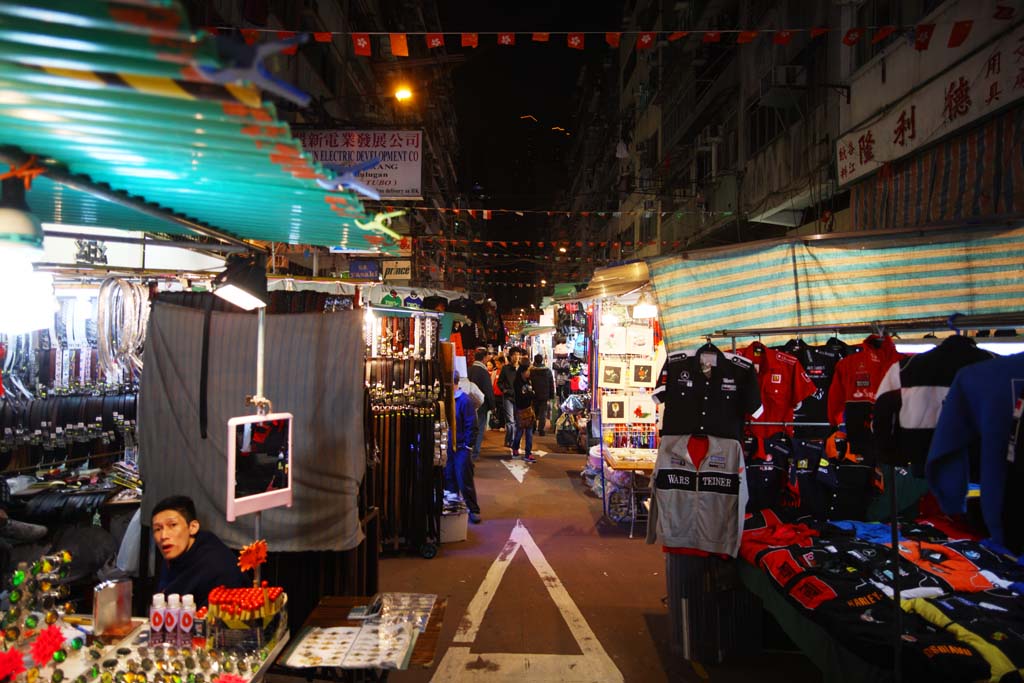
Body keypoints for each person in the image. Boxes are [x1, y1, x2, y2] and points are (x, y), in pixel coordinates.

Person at [152, 496, 248, 606]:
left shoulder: (215, 566)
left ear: (193, 527)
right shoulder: (174, 552)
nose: (163, 536)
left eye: (173, 525)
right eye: (157, 529)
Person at [445, 373, 481, 523]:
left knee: (464, 479)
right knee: (449, 477)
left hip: (461, 447)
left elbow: (471, 425)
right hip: (449, 447)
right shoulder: (448, 400)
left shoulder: (464, 400)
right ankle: (453, 509)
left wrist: (468, 446)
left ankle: (473, 509)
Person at [469, 349, 496, 460]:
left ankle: (468, 450)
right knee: (480, 428)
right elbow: (488, 390)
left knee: (470, 427)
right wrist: (492, 406)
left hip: (468, 403)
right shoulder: (483, 372)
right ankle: (475, 453)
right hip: (481, 405)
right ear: (484, 358)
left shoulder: (468, 370)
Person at [512, 357, 537, 463]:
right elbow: (520, 397)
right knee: (520, 431)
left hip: (529, 409)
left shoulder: (529, 381)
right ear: (522, 372)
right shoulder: (517, 383)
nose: (529, 373)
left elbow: (531, 394)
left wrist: (530, 395)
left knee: (529, 432)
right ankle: (515, 448)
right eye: (527, 371)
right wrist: (529, 394)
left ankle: (528, 453)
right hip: (520, 409)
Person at [498, 349, 521, 448]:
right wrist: (504, 390)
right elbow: (499, 382)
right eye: (514, 355)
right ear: (510, 356)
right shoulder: (505, 369)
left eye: (518, 355)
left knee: (517, 421)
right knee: (510, 420)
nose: (516, 357)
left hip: (519, 398)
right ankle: (512, 441)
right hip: (508, 397)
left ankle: (510, 440)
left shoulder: (521, 369)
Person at [531, 354, 555, 436]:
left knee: (533, 412)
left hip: (533, 395)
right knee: (542, 413)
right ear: (542, 360)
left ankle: (533, 428)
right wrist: (551, 395)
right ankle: (541, 429)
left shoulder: (531, 370)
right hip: (544, 395)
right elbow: (551, 383)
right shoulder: (547, 371)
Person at [490, 356, 505, 430]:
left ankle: (502, 425)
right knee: (497, 410)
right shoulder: (494, 372)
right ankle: (497, 425)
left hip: (503, 395)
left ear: (503, 363)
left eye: (498, 363)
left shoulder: (505, 372)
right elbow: (492, 383)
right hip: (495, 394)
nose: (497, 365)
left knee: (502, 410)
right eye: (496, 363)